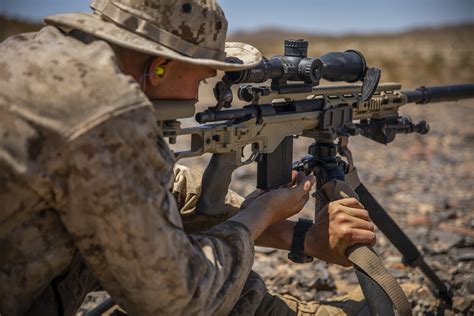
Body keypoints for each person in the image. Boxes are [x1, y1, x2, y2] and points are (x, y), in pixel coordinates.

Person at [0, 0, 376, 315]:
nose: (198, 96)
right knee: (200, 276)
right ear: (159, 66)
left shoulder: (30, 52)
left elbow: (152, 190)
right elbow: (180, 298)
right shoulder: (105, 108)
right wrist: (258, 215)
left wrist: (301, 237)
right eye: (200, 78)